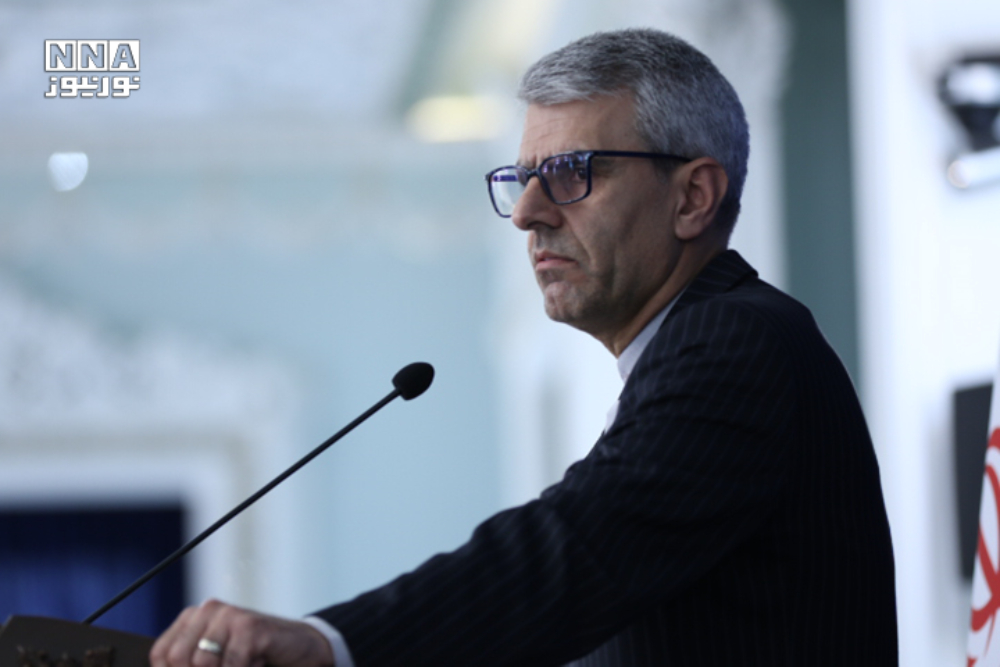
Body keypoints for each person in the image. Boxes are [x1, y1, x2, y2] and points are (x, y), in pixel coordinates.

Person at [150, 28, 898, 667]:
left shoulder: (735, 340)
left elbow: (574, 552)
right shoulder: (698, 349)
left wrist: (331, 643)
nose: (527, 215)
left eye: (570, 174)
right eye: (521, 179)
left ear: (692, 197)